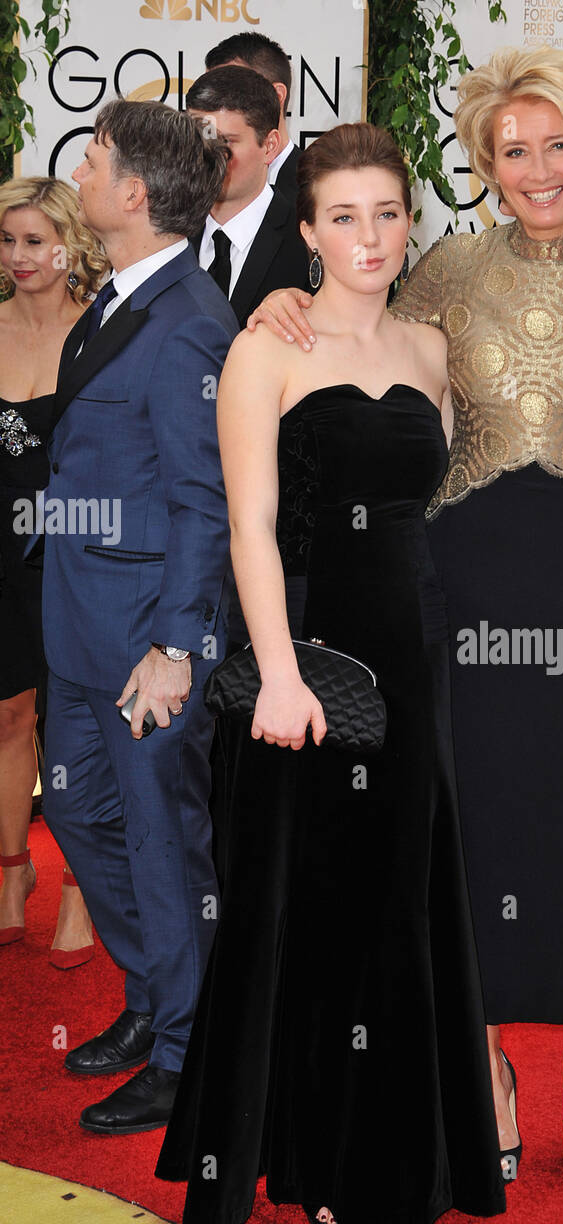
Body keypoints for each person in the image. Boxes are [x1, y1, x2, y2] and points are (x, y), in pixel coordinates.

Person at [251, 46, 563, 1177]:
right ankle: (483, 1063)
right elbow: (363, 325)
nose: (535, 169)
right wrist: (289, 296)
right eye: (510, 149)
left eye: (554, 147)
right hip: (461, 582)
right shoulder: (443, 266)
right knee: (473, 823)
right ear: (484, 162)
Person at [157, 123, 506, 1224]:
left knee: (396, 894)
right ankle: (300, 1150)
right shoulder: (268, 350)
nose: (367, 236)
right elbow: (249, 527)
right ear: (304, 231)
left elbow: (452, 502)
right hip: (305, 657)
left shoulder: (431, 350)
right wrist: (273, 673)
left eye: (387, 213)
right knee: (294, 898)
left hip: (411, 652)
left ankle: (385, 1158)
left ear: (412, 223)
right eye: (342, 216)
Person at [41, 99, 236, 1133]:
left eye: (94, 156)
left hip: (147, 638)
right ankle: (156, 994)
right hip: (78, 624)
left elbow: (208, 502)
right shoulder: (117, 303)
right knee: (79, 814)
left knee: (162, 837)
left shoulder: (195, 324)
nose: (77, 166)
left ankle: (185, 1044)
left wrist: (173, 644)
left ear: (134, 194)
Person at [0, 176, 106, 967]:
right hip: (1, 555)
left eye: (35, 241)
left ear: (70, 244)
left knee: (76, 721)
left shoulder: (101, 331)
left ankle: (82, 888)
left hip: (80, 552)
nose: (18, 257)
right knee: (7, 715)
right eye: (7, 241)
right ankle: (12, 873)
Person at [186, 65, 310, 329]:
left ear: (270, 146)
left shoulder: (307, 244)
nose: (208, 157)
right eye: (199, 140)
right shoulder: (167, 235)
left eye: (226, 142)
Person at [204, 31, 298, 197]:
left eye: (231, 93)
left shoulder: (314, 186)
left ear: (277, 96)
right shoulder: (198, 185)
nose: (216, 107)